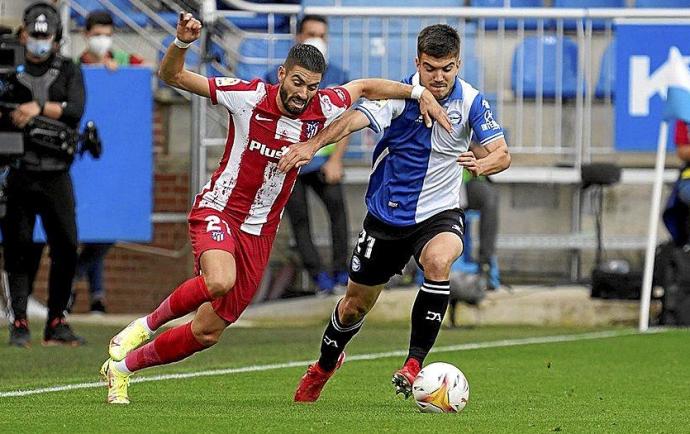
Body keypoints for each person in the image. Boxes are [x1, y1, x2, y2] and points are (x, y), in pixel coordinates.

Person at [99, 11, 450, 405]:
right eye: (297, 82)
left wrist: (419, 94)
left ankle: (122, 369)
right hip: (219, 211)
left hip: (260, 231)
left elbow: (366, 85)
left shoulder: (323, 105)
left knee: (207, 332)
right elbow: (173, 77)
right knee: (219, 280)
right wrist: (182, 43)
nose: (303, 93)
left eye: (312, 87)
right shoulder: (248, 95)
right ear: (282, 74)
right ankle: (142, 327)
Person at [280, 24, 511, 402]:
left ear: (458, 64)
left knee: (439, 261)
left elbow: (502, 152)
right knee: (354, 306)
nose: (439, 77)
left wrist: (483, 165)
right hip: (386, 219)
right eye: (430, 68)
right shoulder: (398, 97)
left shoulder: (471, 100)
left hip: (440, 213)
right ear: (417, 63)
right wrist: (311, 145)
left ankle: (413, 364)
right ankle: (324, 365)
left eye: (447, 68)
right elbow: (352, 120)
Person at [1, 2, 86, 348]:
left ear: (56, 38)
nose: (38, 42)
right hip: (20, 171)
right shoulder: (8, 69)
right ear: (23, 34)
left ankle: (57, 320)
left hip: (56, 173)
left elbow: (76, 110)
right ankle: (19, 321)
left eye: (45, 36)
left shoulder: (68, 69)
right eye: (33, 35)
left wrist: (37, 110)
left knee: (66, 247)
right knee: (18, 248)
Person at [264, 15, 351, 293]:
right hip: (291, 161)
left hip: (324, 160)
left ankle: (342, 274)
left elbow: (345, 122)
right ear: (298, 37)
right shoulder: (275, 76)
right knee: (300, 221)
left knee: (339, 213)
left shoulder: (338, 75)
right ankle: (320, 280)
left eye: (322, 35)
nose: (317, 39)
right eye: (311, 33)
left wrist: (336, 159)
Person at [70, 10, 143, 314]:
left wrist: (120, 77)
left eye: (107, 33)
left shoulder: (125, 61)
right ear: (86, 35)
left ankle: (74, 279)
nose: (103, 40)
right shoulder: (75, 67)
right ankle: (96, 296)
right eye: (97, 33)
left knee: (106, 229)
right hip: (82, 159)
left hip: (116, 158)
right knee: (87, 227)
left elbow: (151, 73)